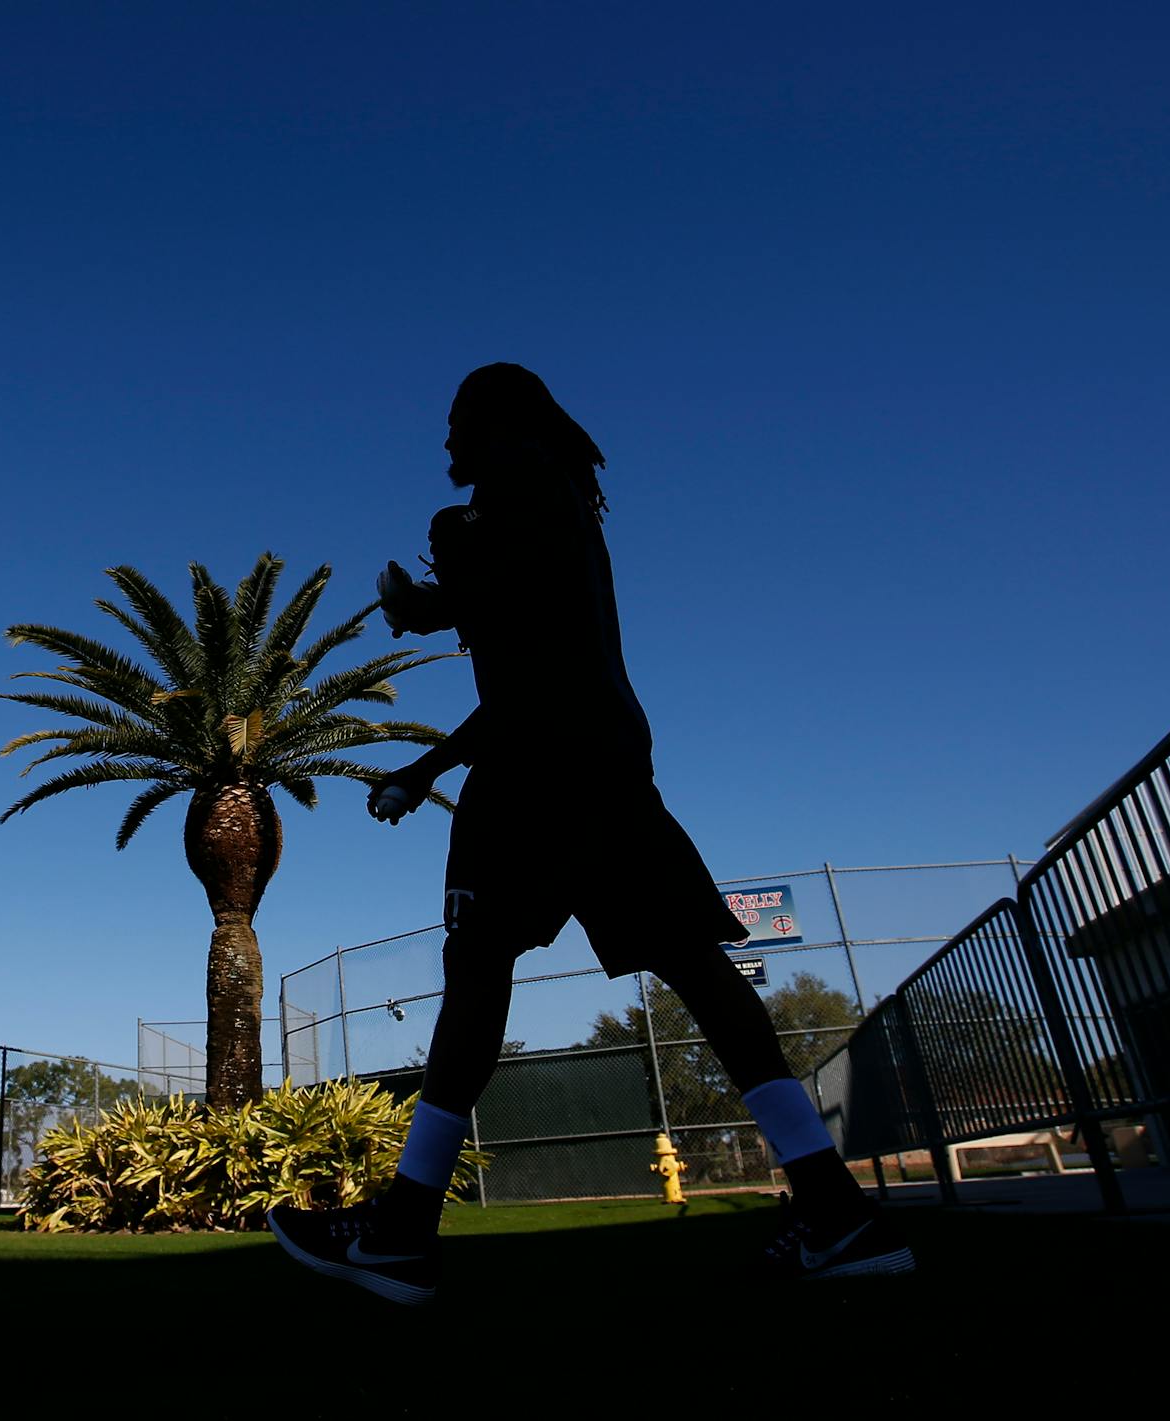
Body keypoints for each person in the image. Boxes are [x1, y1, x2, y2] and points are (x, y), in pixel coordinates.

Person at [266, 364, 911, 1304]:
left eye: (457, 422)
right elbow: (535, 658)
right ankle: (834, 1205)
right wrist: (425, 758)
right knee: (694, 964)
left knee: (479, 972)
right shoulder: (551, 499)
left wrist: (431, 595)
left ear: (499, 421)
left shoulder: (515, 482)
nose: (446, 442)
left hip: (538, 774)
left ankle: (402, 1229)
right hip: (600, 761)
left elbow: (513, 628)